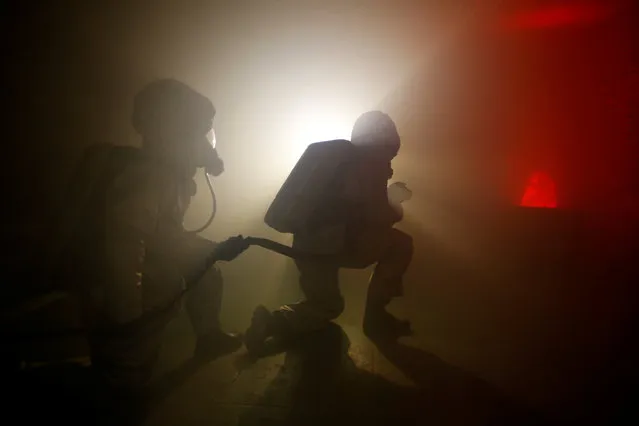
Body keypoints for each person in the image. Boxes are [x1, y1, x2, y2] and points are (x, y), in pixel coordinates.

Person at [51, 79, 248, 396]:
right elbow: (123, 249)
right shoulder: (148, 178)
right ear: (177, 133)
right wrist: (126, 314)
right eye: (198, 131)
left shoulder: (167, 173)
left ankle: (207, 335)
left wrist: (214, 250)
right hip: (116, 286)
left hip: (136, 274)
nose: (205, 141)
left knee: (208, 270)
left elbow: (167, 237)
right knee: (125, 378)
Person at [246, 111, 413, 355]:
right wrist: (395, 200)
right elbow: (380, 216)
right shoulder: (369, 164)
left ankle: (272, 323)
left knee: (323, 304)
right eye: (389, 154)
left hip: (306, 244)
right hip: (345, 244)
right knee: (401, 244)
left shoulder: (337, 160)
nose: (390, 161)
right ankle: (376, 318)